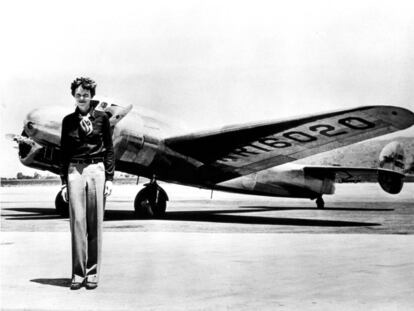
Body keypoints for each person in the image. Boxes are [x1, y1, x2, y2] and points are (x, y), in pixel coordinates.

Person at [60, 77, 114, 290]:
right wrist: (64, 182)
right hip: (75, 170)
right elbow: (63, 153)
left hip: (96, 170)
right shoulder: (68, 121)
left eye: (86, 94)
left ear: (92, 96)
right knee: (77, 224)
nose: (82, 98)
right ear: (73, 96)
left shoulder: (102, 119)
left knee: (95, 224)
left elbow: (109, 149)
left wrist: (109, 178)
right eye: (78, 94)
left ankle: (92, 274)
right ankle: (77, 273)